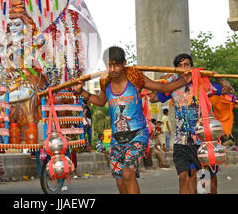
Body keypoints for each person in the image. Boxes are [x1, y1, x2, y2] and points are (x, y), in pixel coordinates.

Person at [73, 46, 191, 194]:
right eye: (109, 65)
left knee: (128, 174)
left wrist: (183, 82)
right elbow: (100, 101)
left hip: (138, 135)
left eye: (116, 65)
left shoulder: (136, 78)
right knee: (120, 180)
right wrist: (82, 91)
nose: (113, 69)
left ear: (124, 63)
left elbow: (163, 87)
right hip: (116, 139)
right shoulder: (105, 82)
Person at [150, 53, 234, 194]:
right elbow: (152, 98)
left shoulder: (203, 84)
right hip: (181, 142)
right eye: (180, 66)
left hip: (203, 142)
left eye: (187, 65)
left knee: (205, 182)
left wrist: (217, 76)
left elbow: (229, 91)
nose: (184, 68)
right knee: (184, 177)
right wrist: (167, 78)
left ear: (192, 67)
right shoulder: (172, 86)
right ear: (176, 69)